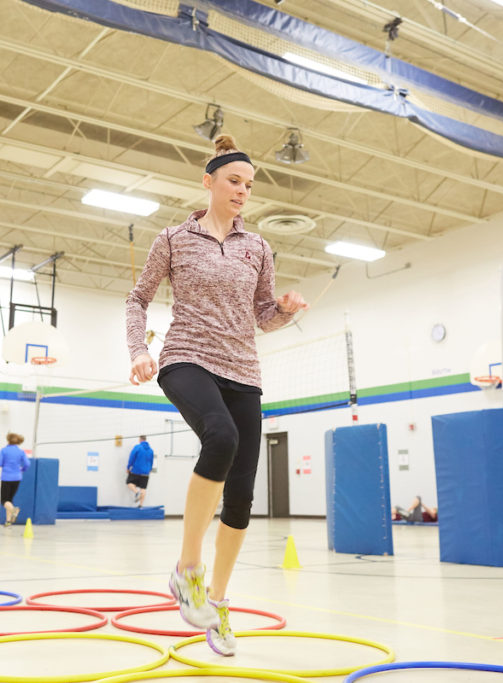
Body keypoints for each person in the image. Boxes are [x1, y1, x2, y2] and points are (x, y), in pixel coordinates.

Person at [126, 133, 308, 656]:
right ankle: (187, 570)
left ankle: (218, 604)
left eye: (250, 185)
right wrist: (139, 349)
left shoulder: (258, 247)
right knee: (220, 437)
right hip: (186, 358)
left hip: (243, 371)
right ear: (208, 181)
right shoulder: (173, 239)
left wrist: (288, 308)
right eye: (234, 181)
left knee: (243, 496)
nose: (243, 191)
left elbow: (263, 315)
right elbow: (138, 298)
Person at [0, 432, 30, 526]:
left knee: (4, 500)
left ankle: (14, 510)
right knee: (9, 500)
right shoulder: (21, 452)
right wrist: (22, 469)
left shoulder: (4, 450)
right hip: (17, 477)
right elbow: (27, 463)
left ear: (8, 440)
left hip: (6, 477)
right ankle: (8, 521)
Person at [126, 435, 154, 508]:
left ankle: (136, 492)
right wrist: (149, 469)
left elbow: (131, 457)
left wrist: (128, 467)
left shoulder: (137, 447)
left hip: (136, 470)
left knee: (129, 482)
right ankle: (141, 505)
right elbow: (151, 462)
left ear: (140, 440)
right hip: (146, 472)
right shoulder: (151, 450)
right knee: (143, 488)